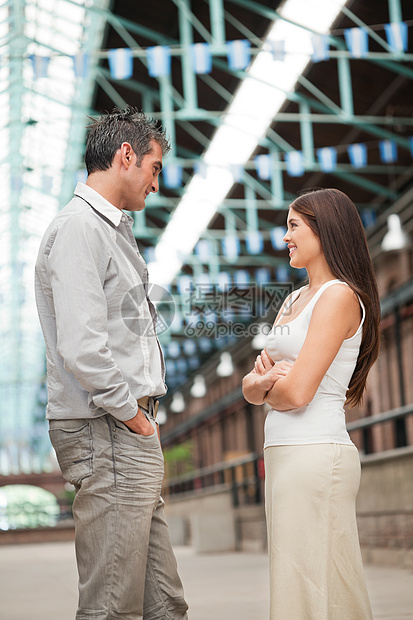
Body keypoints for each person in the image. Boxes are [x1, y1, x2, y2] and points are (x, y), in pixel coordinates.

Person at [35, 107, 188, 620]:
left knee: (164, 603)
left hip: (125, 431)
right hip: (110, 430)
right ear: (126, 155)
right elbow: (83, 347)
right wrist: (133, 416)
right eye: (155, 167)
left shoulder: (111, 230)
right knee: (113, 605)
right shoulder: (81, 228)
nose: (156, 183)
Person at [242, 188, 380, 620]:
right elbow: (249, 386)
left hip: (315, 453)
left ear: (325, 230)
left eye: (293, 226)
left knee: (312, 590)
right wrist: (267, 383)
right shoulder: (293, 300)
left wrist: (270, 383)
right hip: (285, 456)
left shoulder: (338, 297)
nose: (285, 236)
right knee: (309, 586)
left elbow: (298, 393)